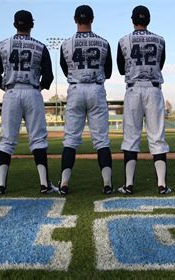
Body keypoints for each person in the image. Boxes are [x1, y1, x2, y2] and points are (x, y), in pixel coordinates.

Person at [0, 10, 57, 194]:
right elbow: (49, 77)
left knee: (7, 140)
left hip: (11, 92)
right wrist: (37, 88)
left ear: (14, 25)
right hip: (32, 92)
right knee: (38, 139)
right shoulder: (40, 47)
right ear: (32, 25)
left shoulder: (3, 45)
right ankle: (44, 184)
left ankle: (1, 185)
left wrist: (8, 88)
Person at [116, 5, 172, 195]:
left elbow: (121, 69)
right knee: (157, 137)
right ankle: (162, 184)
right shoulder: (160, 40)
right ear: (149, 20)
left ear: (132, 20)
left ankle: (129, 185)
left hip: (133, 90)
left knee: (131, 138)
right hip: (153, 89)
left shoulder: (124, 40)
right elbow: (160, 63)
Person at [58, 5, 113, 195]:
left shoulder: (66, 44)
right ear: (92, 19)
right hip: (96, 89)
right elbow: (109, 72)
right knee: (101, 140)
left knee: (71, 140)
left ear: (75, 19)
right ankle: (107, 184)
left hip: (75, 88)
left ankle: (64, 183)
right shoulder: (104, 43)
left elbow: (65, 68)